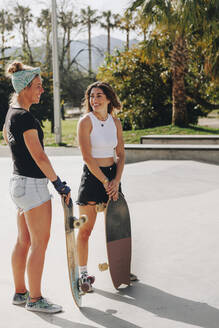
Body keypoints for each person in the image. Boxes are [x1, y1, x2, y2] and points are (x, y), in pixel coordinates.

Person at [3, 61, 71, 314]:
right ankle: (35, 298)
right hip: (32, 186)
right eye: (38, 86)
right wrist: (58, 184)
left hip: (17, 184)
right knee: (39, 244)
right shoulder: (26, 118)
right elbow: (39, 156)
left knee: (24, 241)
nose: (42, 90)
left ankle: (20, 293)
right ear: (24, 89)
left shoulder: (11, 114)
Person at [76, 81, 137, 292]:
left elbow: (120, 154)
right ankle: (83, 275)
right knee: (85, 230)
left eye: (99, 95)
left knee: (118, 228)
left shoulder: (115, 122)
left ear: (109, 98)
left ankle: (121, 269)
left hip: (112, 178)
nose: (94, 100)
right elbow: (86, 156)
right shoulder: (86, 121)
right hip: (93, 178)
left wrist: (116, 180)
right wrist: (104, 181)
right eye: (91, 96)